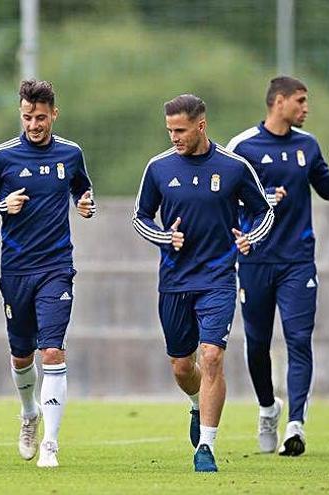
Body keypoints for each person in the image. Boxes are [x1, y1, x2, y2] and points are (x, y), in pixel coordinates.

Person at [132, 94, 273, 472]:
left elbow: (264, 212)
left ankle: (206, 448)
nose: (174, 137)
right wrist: (166, 238)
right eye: (170, 130)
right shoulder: (158, 168)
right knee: (182, 366)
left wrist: (249, 238)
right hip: (175, 281)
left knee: (211, 357)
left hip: (219, 279)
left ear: (201, 125)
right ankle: (196, 404)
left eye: (180, 130)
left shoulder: (234, 167)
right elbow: (140, 217)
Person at [0, 79, 96, 468]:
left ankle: (51, 444)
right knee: (22, 355)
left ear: (54, 114)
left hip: (56, 267)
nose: (33, 124)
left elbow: (82, 189)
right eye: (27, 117)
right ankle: (29, 414)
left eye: (40, 117)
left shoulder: (71, 153)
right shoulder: (3, 156)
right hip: (16, 270)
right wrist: (2, 206)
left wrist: (85, 203)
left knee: (51, 349)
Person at [225, 76, 329, 455]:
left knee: (299, 340)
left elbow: (328, 190)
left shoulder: (307, 144)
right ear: (278, 102)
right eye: (300, 101)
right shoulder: (243, 146)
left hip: (298, 260)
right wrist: (261, 200)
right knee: (257, 345)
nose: (306, 108)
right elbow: (225, 199)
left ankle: (295, 425)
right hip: (256, 259)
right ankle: (269, 408)